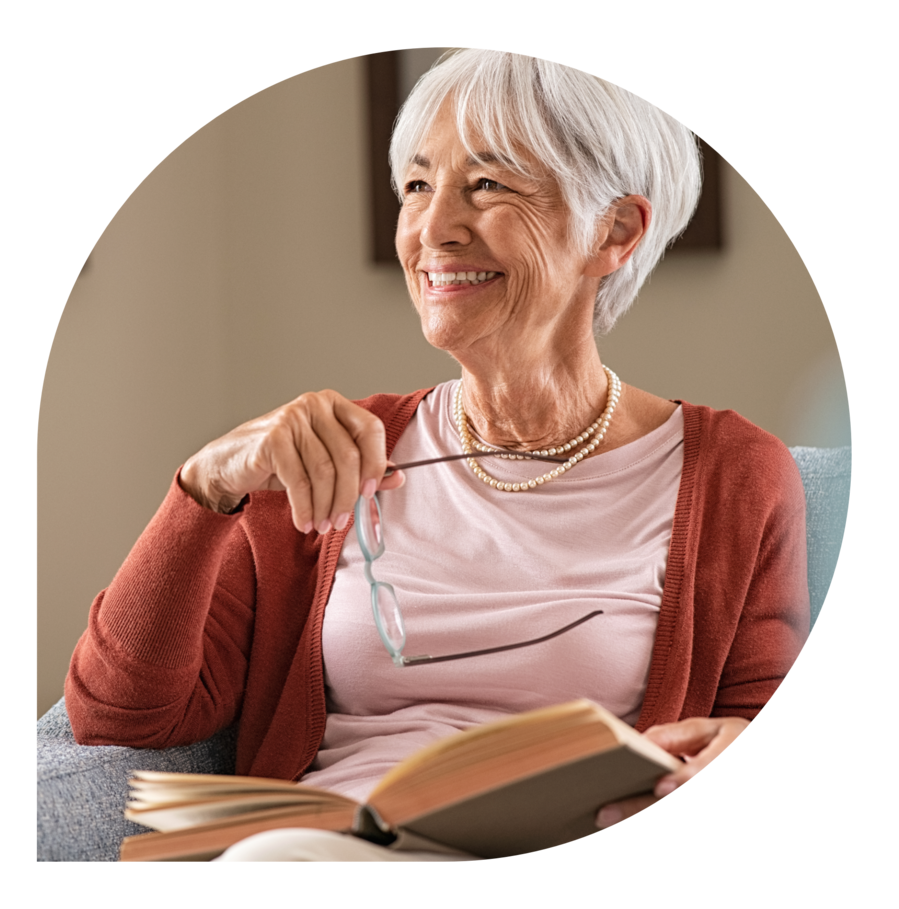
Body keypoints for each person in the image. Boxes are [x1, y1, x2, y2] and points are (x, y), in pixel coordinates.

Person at [64, 50, 809, 862]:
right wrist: (204, 486)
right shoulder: (328, 455)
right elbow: (120, 714)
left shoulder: (736, 475)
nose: (434, 229)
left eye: (487, 185)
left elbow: (746, 716)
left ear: (615, 230)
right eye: (418, 185)